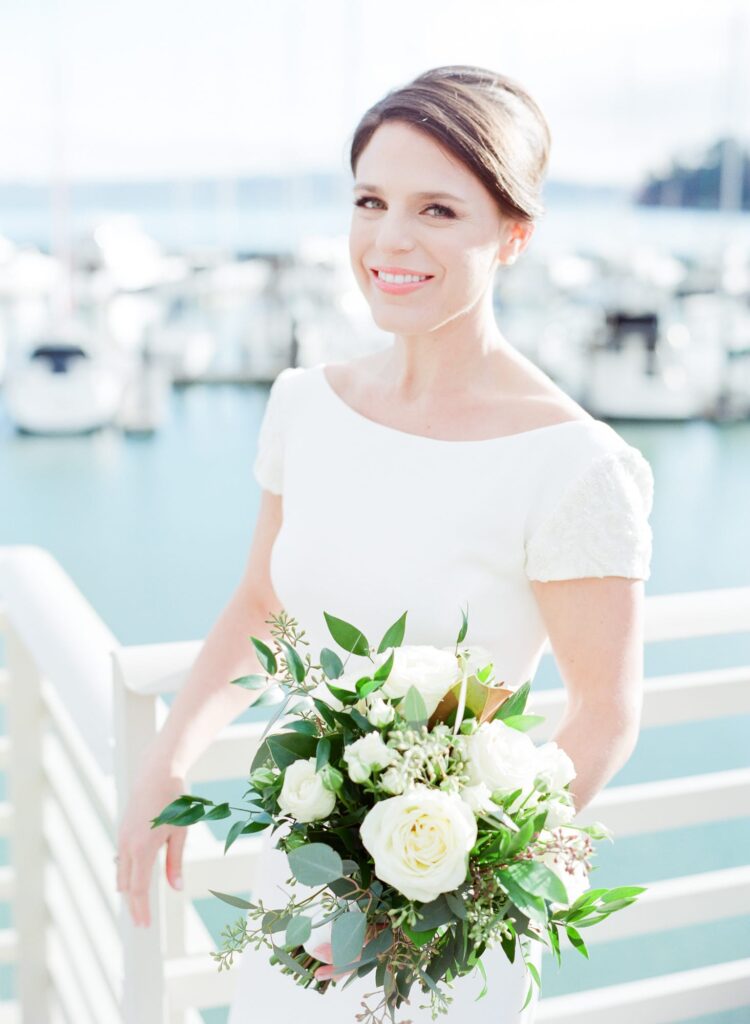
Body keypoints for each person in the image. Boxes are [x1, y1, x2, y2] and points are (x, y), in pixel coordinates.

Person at [116, 65, 655, 1024]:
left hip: (441, 930)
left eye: (439, 210)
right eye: (370, 200)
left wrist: (448, 891)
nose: (389, 239)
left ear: (514, 236)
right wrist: (170, 753)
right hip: (303, 883)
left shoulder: (575, 463)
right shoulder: (305, 405)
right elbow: (261, 603)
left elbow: (605, 716)